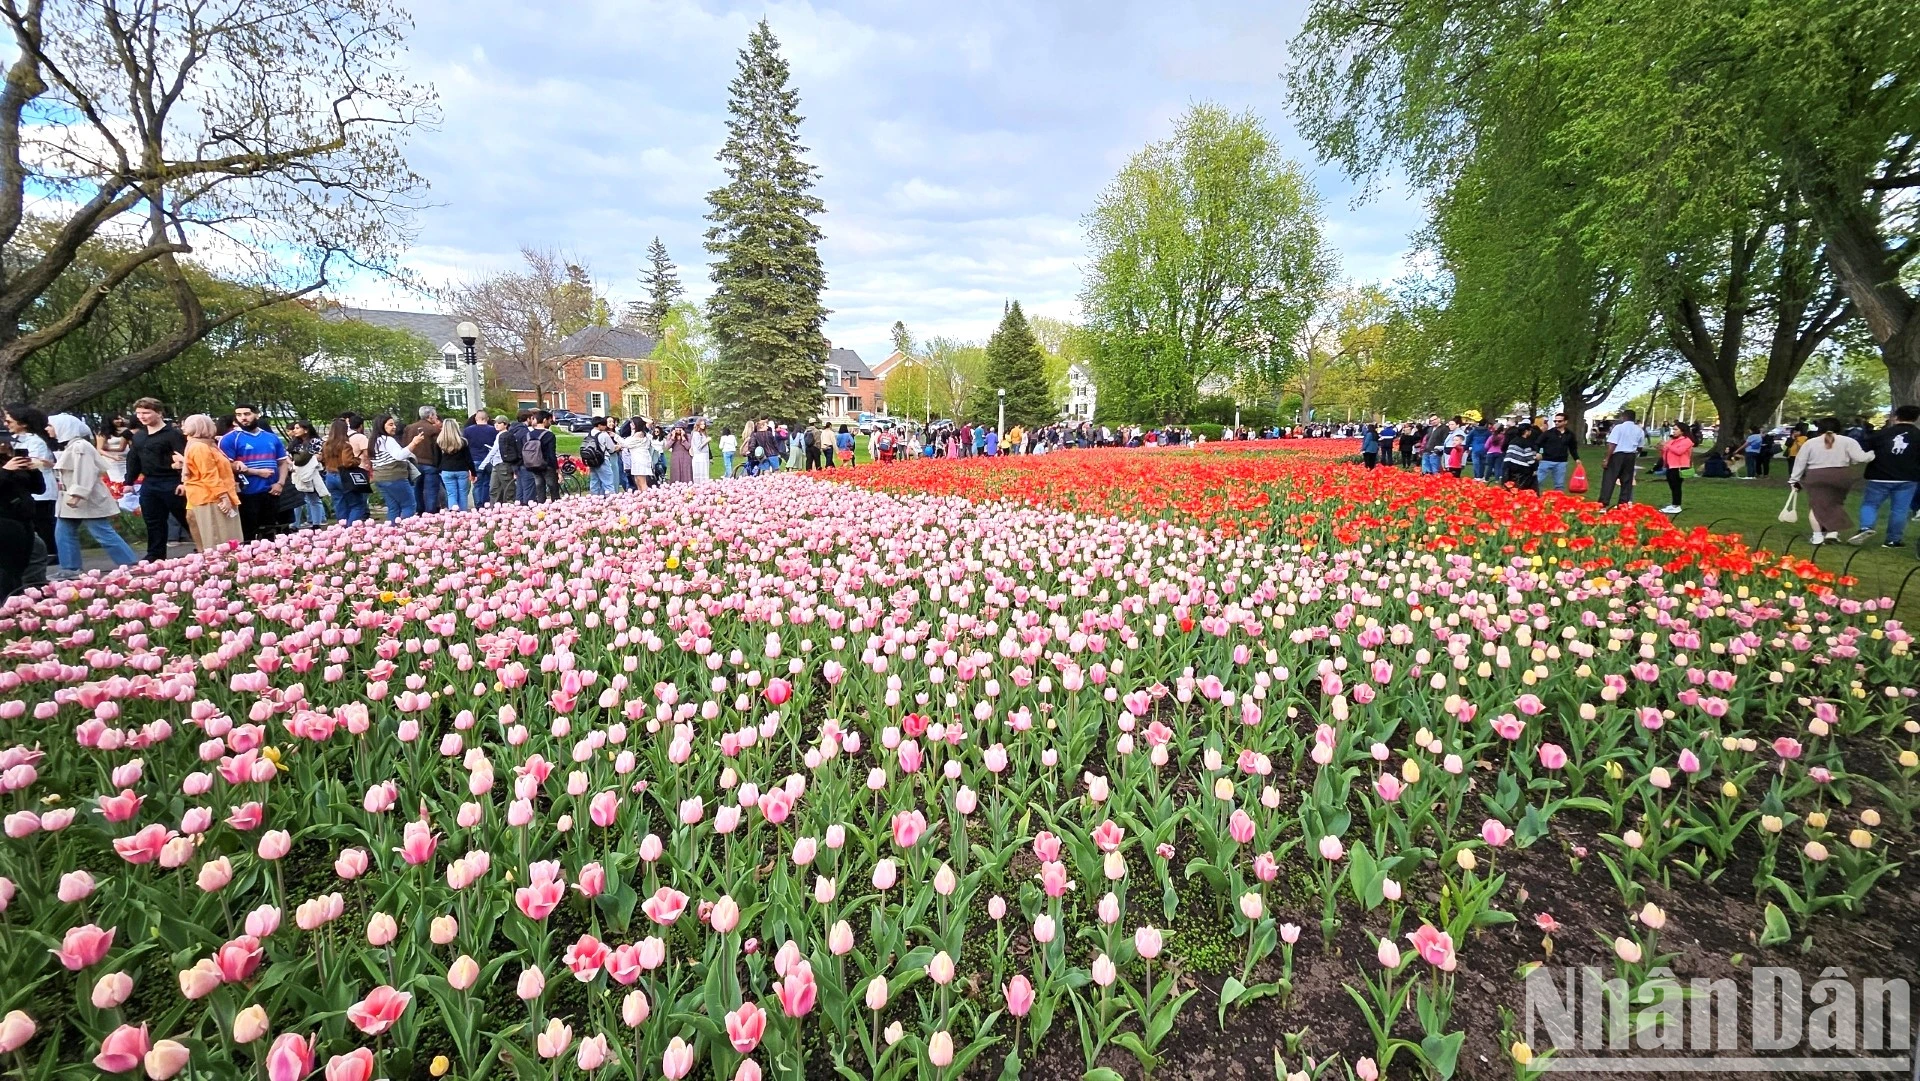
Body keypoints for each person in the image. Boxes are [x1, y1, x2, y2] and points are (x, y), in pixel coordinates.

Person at [50, 415, 138, 575]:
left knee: (102, 532)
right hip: (74, 499)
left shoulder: (80, 446)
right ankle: (70, 568)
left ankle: (130, 564)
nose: (47, 429)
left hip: (85, 499)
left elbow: (86, 472)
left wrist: (78, 494)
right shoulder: (73, 446)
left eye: (50, 426)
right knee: (64, 532)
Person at [1791, 417, 1874, 544]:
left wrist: (1794, 479)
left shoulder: (1811, 442)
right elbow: (1861, 458)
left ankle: (1817, 536)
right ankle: (1832, 533)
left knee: (1816, 506)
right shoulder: (1848, 441)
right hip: (1840, 475)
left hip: (1816, 475)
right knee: (1835, 504)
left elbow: (1800, 462)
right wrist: (1872, 454)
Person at [127, 398, 189, 562]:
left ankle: (205, 547)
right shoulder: (139, 436)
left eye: (146, 412)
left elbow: (185, 459)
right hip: (150, 482)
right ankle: (155, 555)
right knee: (153, 520)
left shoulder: (173, 435)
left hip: (172, 481)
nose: (142, 416)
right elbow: (133, 460)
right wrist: (129, 481)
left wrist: (184, 482)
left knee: (186, 517)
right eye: (139, 413)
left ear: (159, 413)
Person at [1851, 405, 1920, 547]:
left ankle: (1866, 527)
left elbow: (1864, 448)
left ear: (1895, 417)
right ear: (1916, 418)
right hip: (1907, 477)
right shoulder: (1918, 436)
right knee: (1900, 509)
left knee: (1870, 504)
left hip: (1879, 475)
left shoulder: (1882, 434)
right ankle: (1893, 539)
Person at [218, 405, 289, 542]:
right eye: (239, 415)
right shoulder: (230, 439)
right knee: (248, 533)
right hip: (246, 493)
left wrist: (280, 483)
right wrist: (254, 472)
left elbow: (282, 462)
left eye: (247, 414)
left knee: (269, 531)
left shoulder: (271, 437)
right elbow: (225, 466)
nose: (243, 418)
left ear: (257, 414)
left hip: (271, 491)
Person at [4, 405, 56, 570]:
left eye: (9, 421)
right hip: (10, 515)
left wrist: (30, 467)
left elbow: (38, 480)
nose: (7, 424)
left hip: (35, 499)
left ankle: (52, 555)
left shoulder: (32, 440)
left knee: (43, 527)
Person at [180, 413, 242, 551]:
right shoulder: (200, 447)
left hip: (209, 495)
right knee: (219, 538)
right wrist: (224, 497)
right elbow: (209, 474)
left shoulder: (203, 444)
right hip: (211, 498)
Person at [370, 414, 424, 520]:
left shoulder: (374, 441)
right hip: (394, 476)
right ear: (382, 426)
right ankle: (406, 530)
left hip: (380, 478)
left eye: (394, 424)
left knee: (393, 507)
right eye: (390, 425)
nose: (394, 427)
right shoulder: (388, 440)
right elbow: (399, 456)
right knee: (409, 505)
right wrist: (414, 443)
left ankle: (393, 531)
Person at [320, 414, 371, 524]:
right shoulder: (345, 445)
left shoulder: (326, 445)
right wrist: (357, 460)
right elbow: (347, 462)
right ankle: (350, 529)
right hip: (343, 476)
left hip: (330, 476)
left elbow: (323, 459)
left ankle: (342, 530)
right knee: (357, 505)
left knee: (340, 505)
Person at [1596, 409, 1646, 508]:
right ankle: (1623, 503)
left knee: (1609, 479)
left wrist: (1607, 458)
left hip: (1618, 455)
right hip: (1630, 455)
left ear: (1624, 417)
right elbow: (1640, 447)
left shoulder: (1618, 428)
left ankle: (1603, 502)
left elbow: (1612, 444)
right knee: (1627, 481)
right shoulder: (1639, 430)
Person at [285, 419, 329, 529]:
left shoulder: (315, 441)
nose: (294, 430)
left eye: (297, 428)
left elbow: (318, 456)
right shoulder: (294, 442)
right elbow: (287, 455)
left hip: (313, 473)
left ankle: (316, 523)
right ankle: (295, 524)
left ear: (305, 430)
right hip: (296, 472)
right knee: (297, 500)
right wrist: (291, 464)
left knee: (313, 498)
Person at [402, 406, 446, 513]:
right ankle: (430, 514)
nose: (436, 417)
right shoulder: (434, 429)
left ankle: (419, 512)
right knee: (431, 491)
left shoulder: (409, 428)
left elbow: (404, 445)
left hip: (414, 464)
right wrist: (439, 464)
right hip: (430, 464)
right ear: (430, 416)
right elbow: (438, 448)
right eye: (435, 415)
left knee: (417, 489)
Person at [516, 412, 559, 502]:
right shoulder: (549, 435)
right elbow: (551, 453)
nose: (550, 423)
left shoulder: (528, 435)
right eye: (549, 420)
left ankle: (541, 508)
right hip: (547, 465)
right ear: (544, 420)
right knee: (553, 488)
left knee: (539, 488)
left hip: (533, 464)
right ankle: (556, 508)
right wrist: (556, 468)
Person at [1656, 422, 1694, 514]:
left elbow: (1679, 451)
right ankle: (1674, 504)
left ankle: (1677, 505)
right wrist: (1661, 447)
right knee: (1672, 486)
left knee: (1676, 486)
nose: (1674, 431)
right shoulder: (1673, 440)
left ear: (1682, 431)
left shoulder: (1687, 441)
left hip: (1679, 466)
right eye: (1674, 429)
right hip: (1671, 465)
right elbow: (1666, 450)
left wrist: (1668, 445)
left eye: (1676, 429)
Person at [1536, 414, 1580, 492]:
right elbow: (1538, 444)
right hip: (1546, 460)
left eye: (1559, 421)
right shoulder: (1548, 433)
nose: (1556, 422)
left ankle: (1559, 501)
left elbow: (1573, 448)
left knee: (1559, 485)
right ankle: (1532, 497)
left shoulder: (1570, 434)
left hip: (1561, 462)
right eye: (1555, 421)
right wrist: (1540, 452)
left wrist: (1576, 458)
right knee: (1537, 481)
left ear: (1565, 422)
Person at [463, 411, 497, 508]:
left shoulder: (467, 430)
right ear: (487, 419)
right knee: (488, 483)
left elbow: (465, 446)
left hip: (474, 460)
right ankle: (486, 504)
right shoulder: (493, 430)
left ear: (475, 419)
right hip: (489, 460)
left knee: (477, 484)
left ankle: (478, 505)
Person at [495, 411, 529, 505]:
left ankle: (517, 505)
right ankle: (523, 506)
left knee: (518, 487)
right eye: (496, 423)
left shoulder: (510, 432)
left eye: (498, 423)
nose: (496, 425)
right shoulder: (524, 431)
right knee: (525, 487)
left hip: (512, 462)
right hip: (520, 462)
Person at [436, 418, 470, 509]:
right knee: (463, 493)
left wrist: (439, 469)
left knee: (451, 494)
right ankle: (463, 514)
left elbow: (438, 458)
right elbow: (468, 458)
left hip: (446, 470)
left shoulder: (440, 442)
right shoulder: (462, 442)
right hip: (462, 469)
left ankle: (454, 514)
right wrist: (473, 472)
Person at [584, 417, 621, 495]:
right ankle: (611, 501)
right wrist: (619, 446)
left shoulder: (590, 433)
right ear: (599, 425)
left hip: (592, 460)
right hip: (603, 460)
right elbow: (611, 449)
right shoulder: (603, 435)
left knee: (594, 482)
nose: (605, 427)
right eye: (604, 425)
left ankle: (595, 500)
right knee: (608, 483)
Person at [1502, 421, 1540, 490]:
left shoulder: (1513, 441)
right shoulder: (1526, 443)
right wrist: (1536, 461)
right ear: (1526, 431)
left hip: (1509, 470)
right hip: (1521, 472)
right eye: (1530, 430)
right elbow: (1530, 460)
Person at [96, 415, 132, 486]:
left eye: (120, 418)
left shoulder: (125, 430)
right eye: (117, 419)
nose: (120, 421)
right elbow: (99, 449)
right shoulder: (103, 433)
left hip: (126, 458)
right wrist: (112, 457)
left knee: (129, 478)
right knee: (118, 479)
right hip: (113, 460)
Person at [621, 417, 655, 487]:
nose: (631, 425)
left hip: (641, 459)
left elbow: (626, 444)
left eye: (633, 423)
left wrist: (639, 417)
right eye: (631, 423)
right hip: (635, 459)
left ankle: (645, 496)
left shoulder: (639, 433)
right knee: (637, 481)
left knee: (641, 481)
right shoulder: (634, 433)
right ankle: (641, 496)